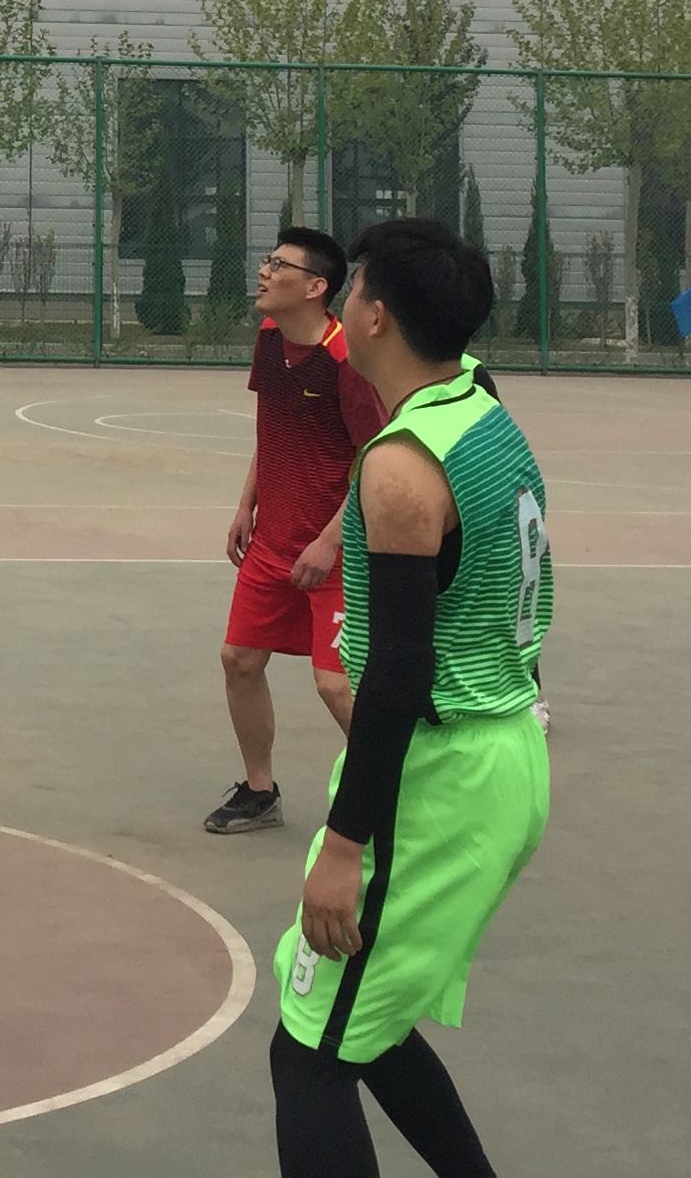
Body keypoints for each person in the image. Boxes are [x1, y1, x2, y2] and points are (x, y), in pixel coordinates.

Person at [272, 217, 552, 1178]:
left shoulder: (402, 468)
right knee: (372, 1029)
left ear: (376, 316)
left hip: (441, 777)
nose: (345, 302)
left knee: (309, 1054)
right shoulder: (477, 399)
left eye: (353, 288)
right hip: (506, 748)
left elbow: (397, 672)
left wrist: (344, 843)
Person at [207, 225, 382, 835]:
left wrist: (330, 541)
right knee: (239, 660)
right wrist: (245, 506)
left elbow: (375, 458)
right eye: (267, 260)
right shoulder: (269, 337)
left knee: (335, 686)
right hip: (273, 541)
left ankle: (402, 796)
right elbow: (273, 426)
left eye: (279, 264)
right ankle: (260, 792)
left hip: (336, 551)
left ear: (315, 288)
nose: (264, 271)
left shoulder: (345, 360)